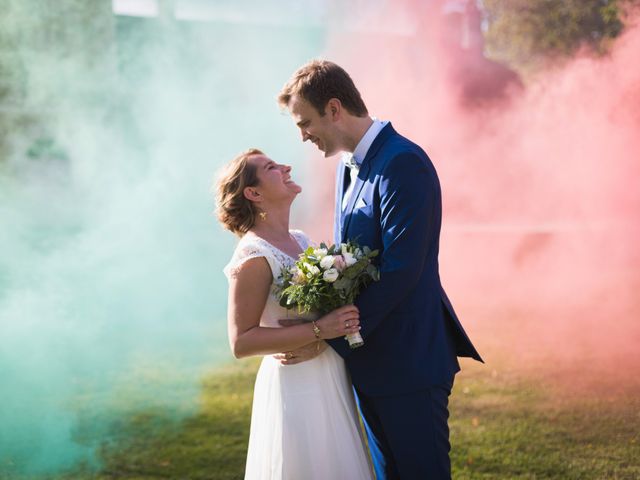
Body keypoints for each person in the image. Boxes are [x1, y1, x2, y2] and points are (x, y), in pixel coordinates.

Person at [276, 60, 484, 479]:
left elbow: (402, 270)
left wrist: (332, 335)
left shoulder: (402, 162)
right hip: (371, 365)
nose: (303, 136)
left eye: (306, 122)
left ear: (334, 108)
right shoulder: (346, 168)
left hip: (410, 362)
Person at [216, 148, 374, 479]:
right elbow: (241, 341)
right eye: (272, 167)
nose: (286, 166)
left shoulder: (300, 241)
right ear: (254, 193)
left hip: (328, 374)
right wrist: (320, 330)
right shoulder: (254, 255)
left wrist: (327, 332)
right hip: (296, 385)